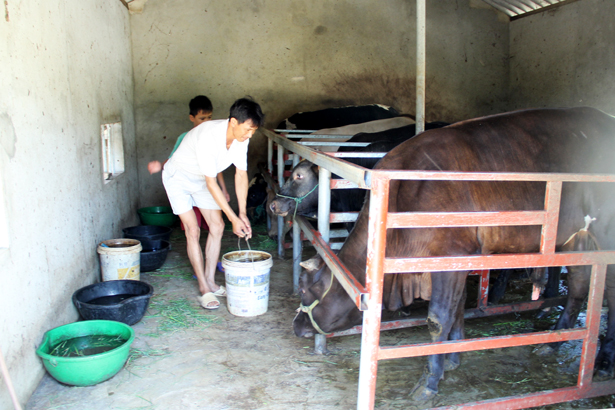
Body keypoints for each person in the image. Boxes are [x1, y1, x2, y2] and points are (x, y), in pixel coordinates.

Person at [162, 97, 264, 310]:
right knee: (193, 230)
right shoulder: (209, 136)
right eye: (247, 129)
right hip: (178, 178)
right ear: (233, 122)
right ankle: (203, 288)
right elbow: (212, 183)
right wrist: (232, 217)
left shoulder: (241, 139)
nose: (250, 135)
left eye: (253, 130)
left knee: (217, 226)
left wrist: (242, 213)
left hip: (200, 180)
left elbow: (241, 174)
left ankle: (210, 279)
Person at [148, 95, 230, 205]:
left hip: (207, 187)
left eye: (209, 117)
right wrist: (160, 166)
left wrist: (223, 189)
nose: (206, 122)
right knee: (193, 219)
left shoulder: (213, 138)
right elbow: (173, 159)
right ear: (192, 118)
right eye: (202, 118)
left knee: (212, 220)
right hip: (188, 187)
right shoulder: (184, 138)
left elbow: (217, 166)